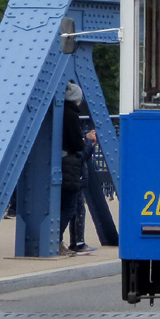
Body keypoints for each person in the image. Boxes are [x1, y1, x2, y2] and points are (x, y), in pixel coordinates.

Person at [59, 82, 86, 255]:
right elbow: (77, 144)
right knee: (70, 206)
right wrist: (86, 142)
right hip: (69, 164)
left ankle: (54, 240)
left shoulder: (59, 111)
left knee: (62, 204)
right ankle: (55, 240)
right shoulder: (71, 115)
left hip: (58, 162)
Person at [70, 125, 99, 255]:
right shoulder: (72, 138)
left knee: (75, 211)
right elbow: (80, 156)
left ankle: (75, 243)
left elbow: (84, 156)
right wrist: (87, 141)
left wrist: (90, 144)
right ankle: (79, 243)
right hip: (76, 177)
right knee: (79, 211)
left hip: (76, 177)